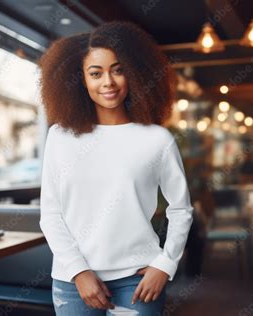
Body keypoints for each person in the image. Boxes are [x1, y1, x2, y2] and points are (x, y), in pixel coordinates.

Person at [38, 21, 194, 315]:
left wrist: (166, 263)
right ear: (81, 80)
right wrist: (79, 272)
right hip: (74, 281)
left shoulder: (157, 139)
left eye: (118, 70)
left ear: (133, 73)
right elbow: (51, 213)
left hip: (138, 279)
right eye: (95, 73)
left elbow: (181, 209)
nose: (108, 82)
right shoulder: (60, 137)